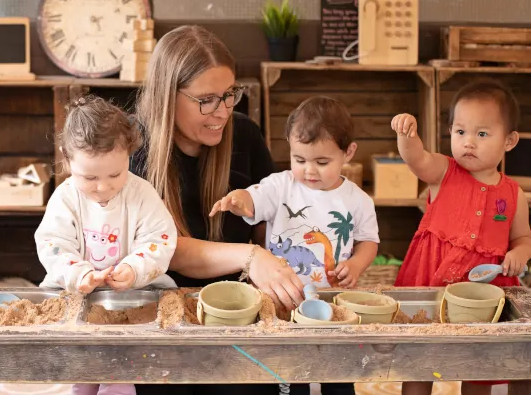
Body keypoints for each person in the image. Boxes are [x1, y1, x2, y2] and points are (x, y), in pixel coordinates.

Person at [129, 25, 304, 395]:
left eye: (229, 95)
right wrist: (251, 257)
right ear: (167, 96)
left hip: (238, 316)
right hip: (164, 324)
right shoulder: (133, 150)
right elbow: (171, 249)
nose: (222, 111)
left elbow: (270, 228)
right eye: (206, 100)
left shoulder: (245, 136)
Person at [210, 96, 379, 395]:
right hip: (282, 302)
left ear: (348, 152)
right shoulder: (281, 185)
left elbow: (368, 242)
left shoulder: (357, 200)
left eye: (322, 162)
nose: (309, 170)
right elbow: (255, 198)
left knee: (337, 373)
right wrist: (239, 199)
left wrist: (355, 264)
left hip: (334, 302)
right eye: (299, 160)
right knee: (290, 371)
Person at [392, 80, 531, 395]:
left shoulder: (513, 193)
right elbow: (416, 158)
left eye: (482, 134)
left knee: (477, 364)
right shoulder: (444, 172)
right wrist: (407, 136)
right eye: (460, 132)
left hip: (484, 293)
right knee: (420, 362)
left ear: (509, 141)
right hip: (430, 284)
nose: (469, 142)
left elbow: (523, 236)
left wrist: (520, 253)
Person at [35, 96, 178, 395]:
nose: (103, 186)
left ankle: (118, 385)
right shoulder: (65, 198)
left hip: (133, 297)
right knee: (84, 368)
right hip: (79, 297)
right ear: (67, 158)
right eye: (89, 177)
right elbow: (53, 243)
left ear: (128, 154)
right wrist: (78, 273)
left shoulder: (141, 193)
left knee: (121, 367)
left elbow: (159, 238)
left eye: (115, 174)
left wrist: (134, 267)